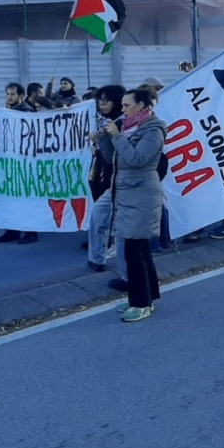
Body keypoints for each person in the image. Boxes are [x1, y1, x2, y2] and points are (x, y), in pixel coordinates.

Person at [96, 86, 168, 323]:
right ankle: (148, 296)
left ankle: (140, 303)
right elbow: (114, 159)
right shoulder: (128, 127)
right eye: (123, 105)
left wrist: (117, 136)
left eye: (127, 105)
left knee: (133, 251)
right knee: (139, 250)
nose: (123, 109)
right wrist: (103, 139)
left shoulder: (153, 130)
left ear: (142, 106)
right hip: (128, 194)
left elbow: (137, 159)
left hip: (141, 195)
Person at [86, 84, 126, 273]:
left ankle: (124, 273)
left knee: (119, 226)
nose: (101, 104)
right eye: (99, 100)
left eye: (106, 100)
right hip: (112, 180)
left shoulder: (122, 125)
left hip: (123, 182)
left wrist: (100, 141)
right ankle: (97, 258)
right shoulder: (108, 122)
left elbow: (114, 157)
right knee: (99, 216)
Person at [0, 83, 40, 243]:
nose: (9, 97)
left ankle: (31, 232)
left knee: (26, 198)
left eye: (12, 94)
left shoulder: (27, 112)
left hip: (24, 162)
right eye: (7, 94)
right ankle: (12, 230)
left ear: (20, 96)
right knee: (10, 198)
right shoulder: (8, 111)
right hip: (10, 162)